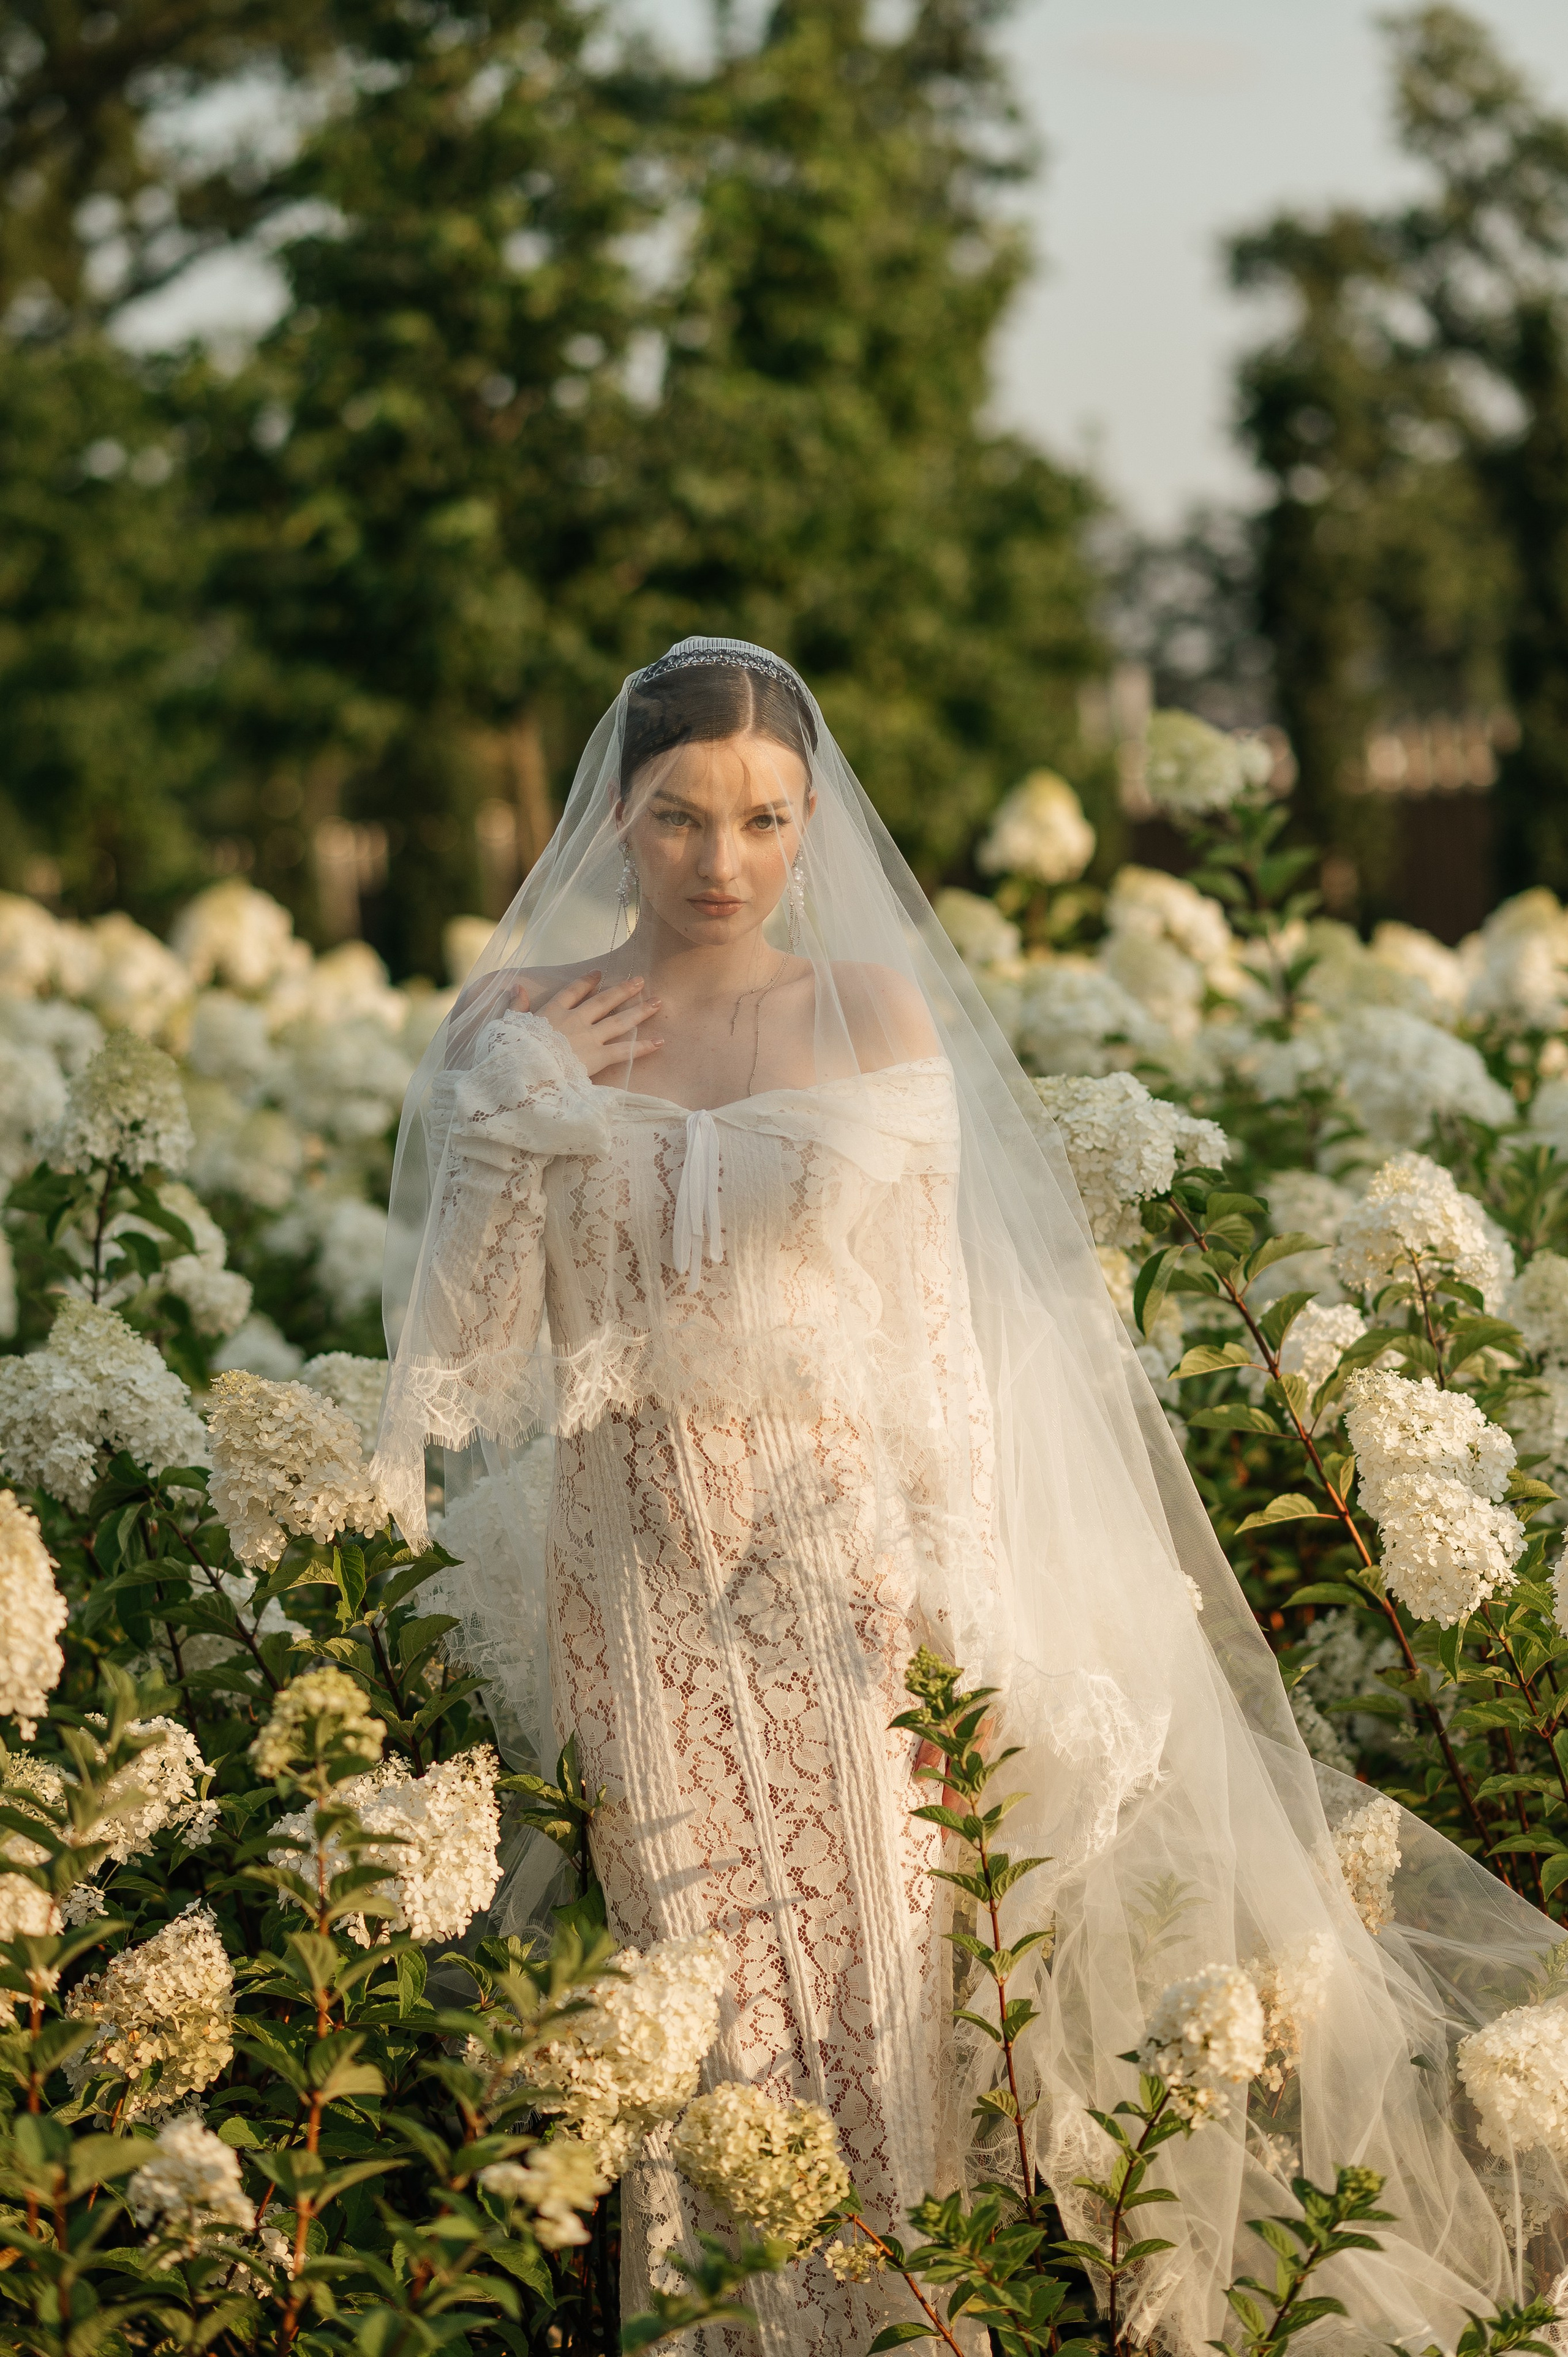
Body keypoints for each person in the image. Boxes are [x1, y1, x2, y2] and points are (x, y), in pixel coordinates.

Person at [375, 639, 1566, 2357]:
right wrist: (517, 1120)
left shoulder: (869, 1010)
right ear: (614, 819)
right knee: (700, 2023)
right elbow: (468, 1378)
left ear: (807, 824)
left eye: (765, 818)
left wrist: (967, 1643)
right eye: (680, 817)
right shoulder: (519, 1021)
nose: (725, 860)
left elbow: (937, 1362)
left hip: (849, 1581)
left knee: (888, 2010)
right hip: (635, 1587)